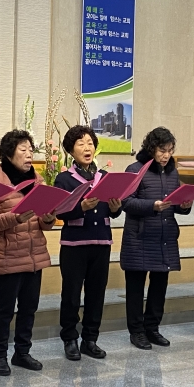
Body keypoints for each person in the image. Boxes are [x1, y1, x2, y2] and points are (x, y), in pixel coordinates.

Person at [0, 130, 55, 376]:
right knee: (5, 310)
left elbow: (42, 224)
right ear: (8, 154)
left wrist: (48, 218)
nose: (29, 154)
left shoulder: (38, 182)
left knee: (28, 308)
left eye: (31, 150)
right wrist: (15, 218)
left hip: (34, 257)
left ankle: (22, 353)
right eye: (23, 150)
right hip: (8, 257)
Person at [54, 125, 123, 361]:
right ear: (71, 150)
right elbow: (59, 212)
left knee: (96, 294)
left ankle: (90, 339)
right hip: (74, 245)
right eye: (81, 144)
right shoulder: (64, 179)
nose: (87, 148)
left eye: (90, 143)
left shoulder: (104, 177)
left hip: (101, 242)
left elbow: (113, 211)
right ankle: (70, 338)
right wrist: (80, 207)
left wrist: (116, 208)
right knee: (71, 294)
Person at [121, 127, 193, 350]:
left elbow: (174, 204)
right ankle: (136, 331)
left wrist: (184, 205)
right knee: (136, 288)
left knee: (159, 286)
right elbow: (126, 202)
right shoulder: (135, 169)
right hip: (139, 237)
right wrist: (152, 206)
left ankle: (152, 328)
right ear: (151, 148)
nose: (166, 155)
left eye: (170, 151)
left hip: (164, 237)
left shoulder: (172, 172)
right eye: (162, 150)